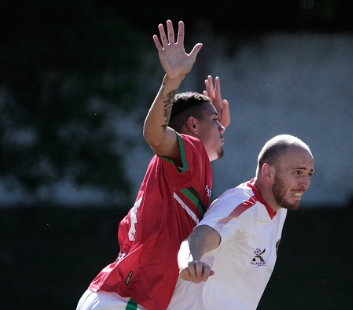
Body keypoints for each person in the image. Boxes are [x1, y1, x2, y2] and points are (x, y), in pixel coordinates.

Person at [77, 20, 230, 310]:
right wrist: (172, 81)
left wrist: (216, 122)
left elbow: (201, 148)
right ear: (193, 125)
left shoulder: (189, 168)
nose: (222, 127)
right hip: (126, 302)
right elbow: (154, 135)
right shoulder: (191, 150)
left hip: (115, 299)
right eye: (214, 121)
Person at [167, 134, 315, 310]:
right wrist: (190, 261)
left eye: (309, 174)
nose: (305, 183)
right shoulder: (241, 205)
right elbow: (201, 235)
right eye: (297, 172)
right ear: (268, 172)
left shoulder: (279, 204)